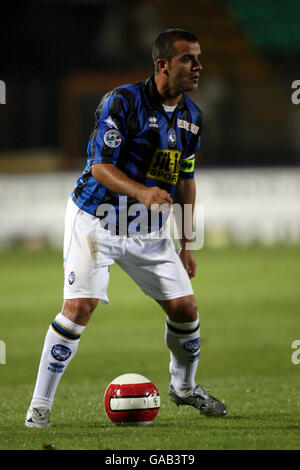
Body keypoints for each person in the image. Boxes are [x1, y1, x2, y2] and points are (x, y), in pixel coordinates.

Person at [25, 28, 227, 428]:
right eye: (189, 59)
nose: (199, 66)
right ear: (162, 65)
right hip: (96, 222)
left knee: (185, 308)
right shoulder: (123, 101)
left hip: (149, 230)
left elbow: (186, 181)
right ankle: (39, 407)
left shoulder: (192, 117)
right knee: (79, 308)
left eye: (199, 58)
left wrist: (186, 244)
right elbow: (100, 166)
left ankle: (184, 387)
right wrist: (144, 191)